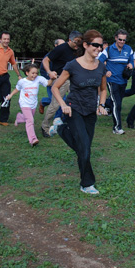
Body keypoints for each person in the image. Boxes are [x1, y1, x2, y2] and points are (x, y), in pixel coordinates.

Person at [52, 30, 108, 195]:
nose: (99, 49)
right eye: (95, 45)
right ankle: (87, 183)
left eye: (101, 46)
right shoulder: (72, 65)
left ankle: (60, 129)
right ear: (85, 45)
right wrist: (63, 105)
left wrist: (101, 105)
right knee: (84, 148)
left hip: (90, 111)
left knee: (85, 147)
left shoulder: (101, 67)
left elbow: (103, 89)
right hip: (74, 109)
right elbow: (55, 87)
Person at [41, 31, 82, 137]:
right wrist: (49, 72)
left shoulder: (79, 49)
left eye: (79, 42)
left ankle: (71, 125)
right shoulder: (61, 48)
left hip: (73, 79)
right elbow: (46, 60)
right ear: (70, 40)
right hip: (60, 79)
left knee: (77, 101)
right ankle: (45, 127)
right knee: (55, 104)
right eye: (76, 42)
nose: (77, 44)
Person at [5, 63, 52, 146]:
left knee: (28, 119)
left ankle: (19, 117)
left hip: (33, 104)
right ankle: (33, 139)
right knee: (30, 121)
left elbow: (48, 83)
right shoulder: (22, 82)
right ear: (27, 73)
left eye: (36, 73)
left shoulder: (39, 79)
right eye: (33, 73)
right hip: (24, 104)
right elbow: (17, 89)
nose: (35, 75)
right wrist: (10, 95)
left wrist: (52, 78)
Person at [99, 29, 134, 135]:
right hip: (111, 80)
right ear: (115, 38)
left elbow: (131, 60)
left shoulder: (128, 49)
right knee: (117, 103)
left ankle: (104, 106)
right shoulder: (109, 49)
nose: (122, 42)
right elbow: (99, 61)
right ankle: (117, 128)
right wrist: (105, 71)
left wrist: (131, 64)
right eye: (120, 39)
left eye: (124, 40)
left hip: (123, 80)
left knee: (117, 101)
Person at [38, 38, 65, 114]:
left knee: (59, 99)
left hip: (61, 81)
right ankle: (58, 118)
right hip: (51, 81)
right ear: (56, 45)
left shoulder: (64, 55)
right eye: (61, 45)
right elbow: (43, 69)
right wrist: (49, 79)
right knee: (58, 99)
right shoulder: (49, 56)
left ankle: (44, 101)